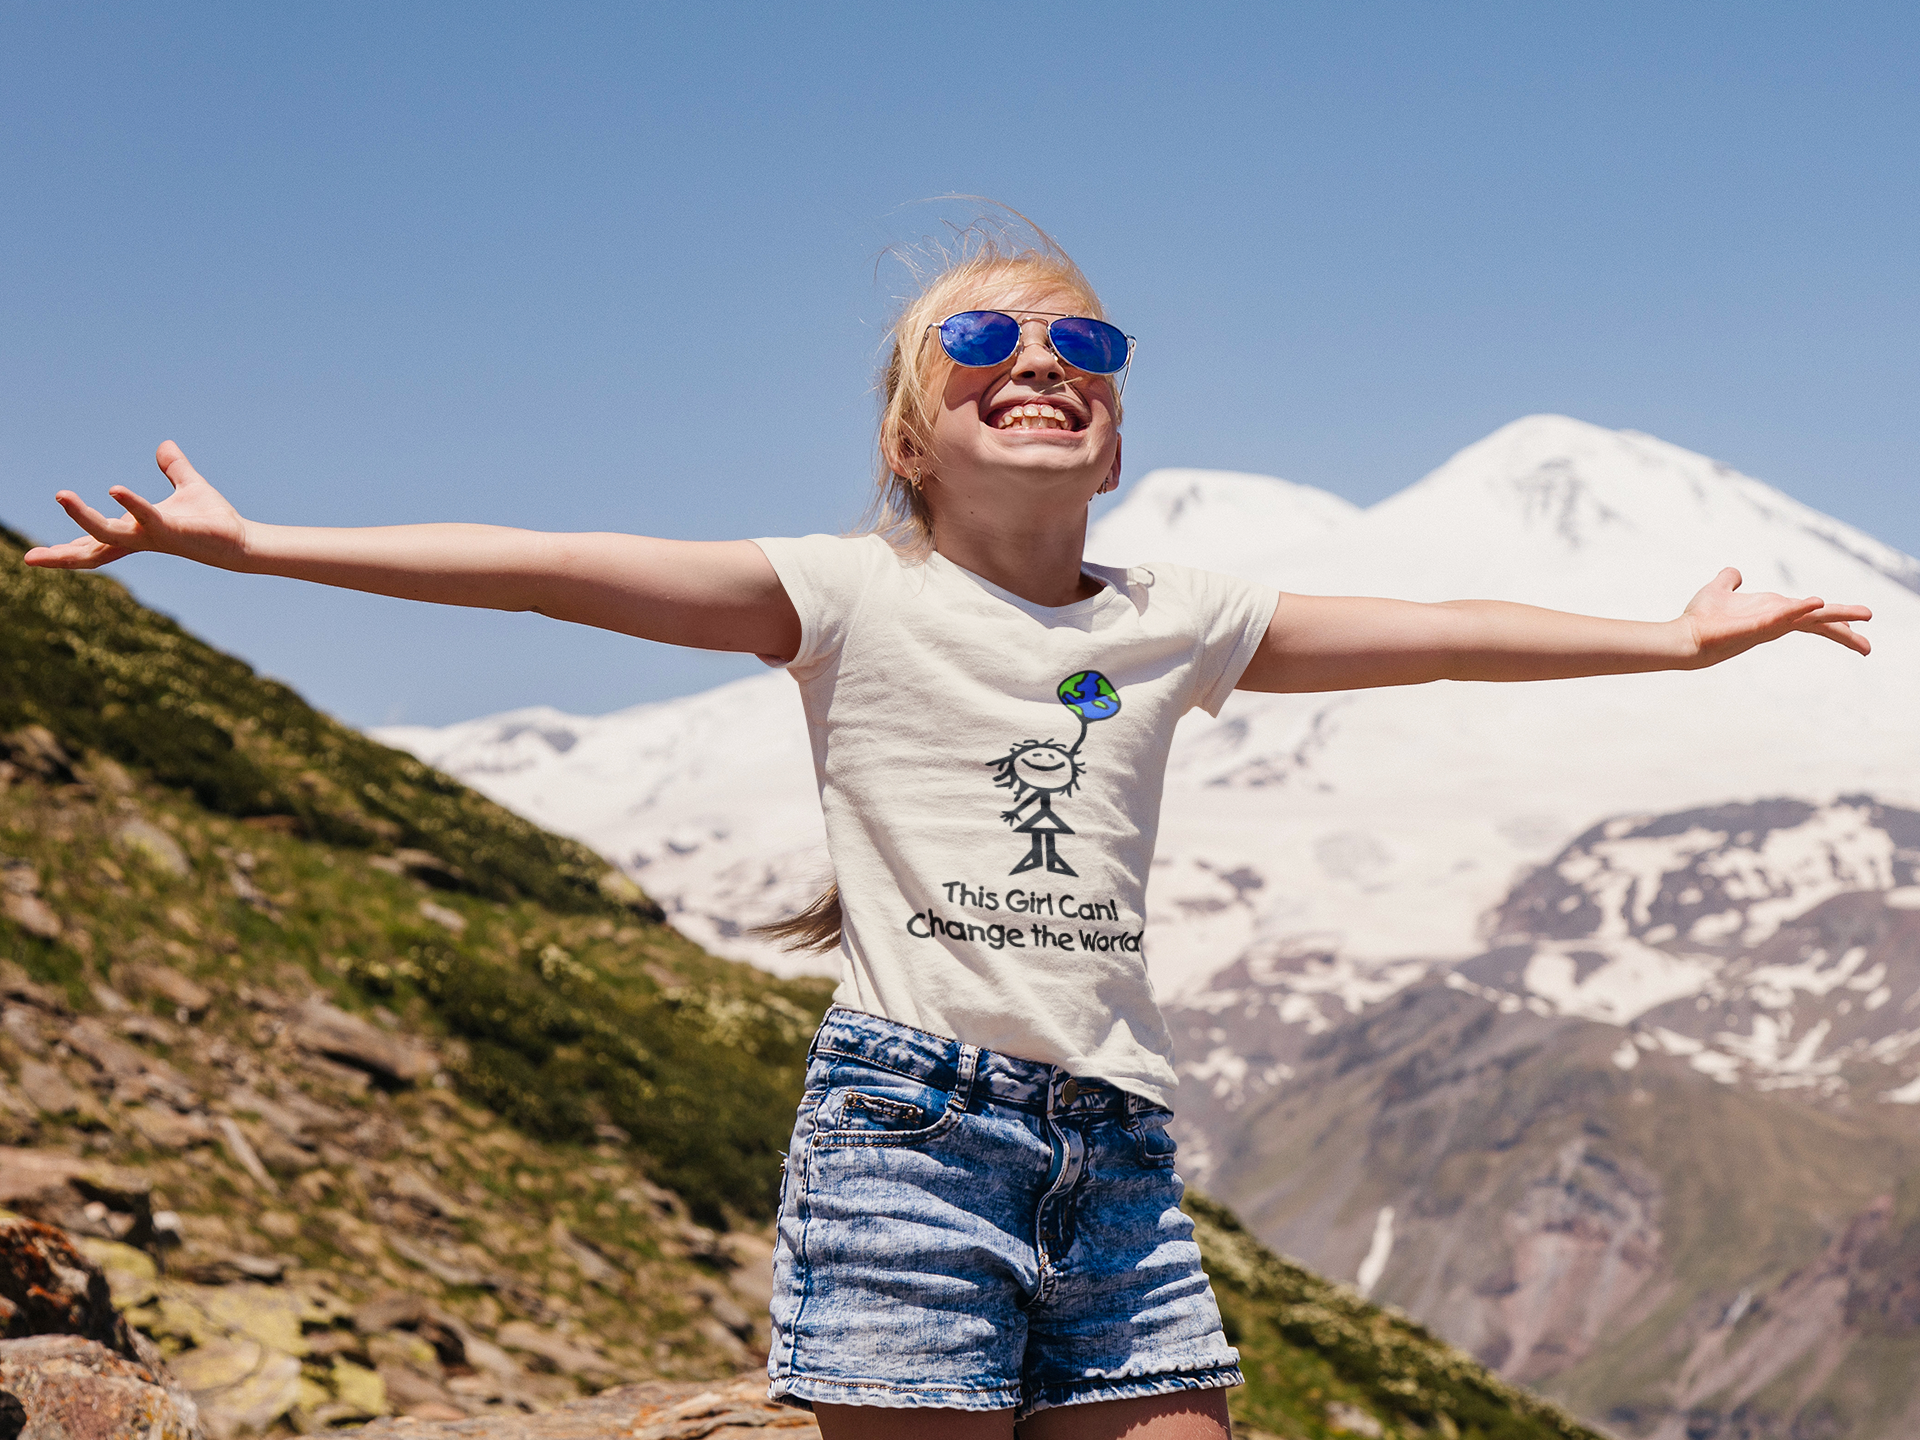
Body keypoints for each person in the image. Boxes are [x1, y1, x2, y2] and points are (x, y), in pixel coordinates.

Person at [24, 221, 1871, 1440]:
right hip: (913, 1138)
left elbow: (1440, 638)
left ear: (1116, 432)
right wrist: (258, 550)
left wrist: (1677, 641)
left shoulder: (1177, 617)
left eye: (1085, 340)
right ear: (913, 433)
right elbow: (547, 572)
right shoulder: (839, 594)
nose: (1040, 355)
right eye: (981, 336)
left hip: (1119, 1157)